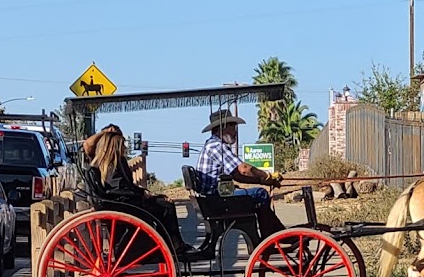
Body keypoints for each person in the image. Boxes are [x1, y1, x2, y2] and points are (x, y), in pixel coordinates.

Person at [83, 125, 194, 254]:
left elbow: (123, 187)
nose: (125, 147)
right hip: (122, 204)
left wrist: (149, 194)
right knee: (165, 206)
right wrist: (143, 193)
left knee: (161, 202)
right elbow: (120, 188)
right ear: (114, 146)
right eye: (122, 144)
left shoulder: (110, 163)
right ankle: (175, 246)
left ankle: (170, 244)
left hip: (121, 201)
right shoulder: (112, 165)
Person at [195, 109, 286, 239]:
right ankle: (271, 236)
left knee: (258, 192)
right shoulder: (216, 146)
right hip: (217, 200)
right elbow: (243, 169)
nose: (235, 130)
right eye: (232, 126)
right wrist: (267, 176)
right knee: (260, 194)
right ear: (222, 128)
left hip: (213, 199)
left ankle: (276, 233)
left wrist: (263, 181)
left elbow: (237, 175)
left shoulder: (212, 145)